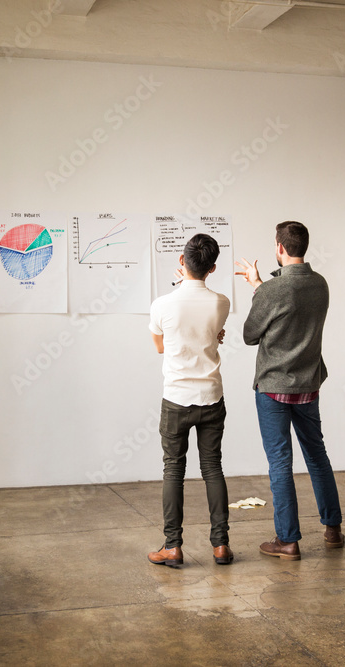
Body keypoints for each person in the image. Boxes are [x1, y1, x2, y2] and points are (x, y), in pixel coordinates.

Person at [234, 221, 343, 561]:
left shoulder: (272, 290)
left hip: (273, 389)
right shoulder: (320, 284)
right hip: (308, 385)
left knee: (280, 463)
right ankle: (333, 529)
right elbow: (291, 311)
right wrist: (261, 286)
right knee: (317, 456)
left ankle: (288, 540)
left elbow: (251, 334)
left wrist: (258, 288)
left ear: (280, 248)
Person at [147, 233, 232, 567]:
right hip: (211, 396)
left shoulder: (162, 304)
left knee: (173, 470)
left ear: (181, 261)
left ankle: (173, 546)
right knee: (213, 468)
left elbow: (159, 346)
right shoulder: (221, 302)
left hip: (177, 398)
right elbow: (213, 335)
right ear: (212, 268)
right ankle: (221, 545)